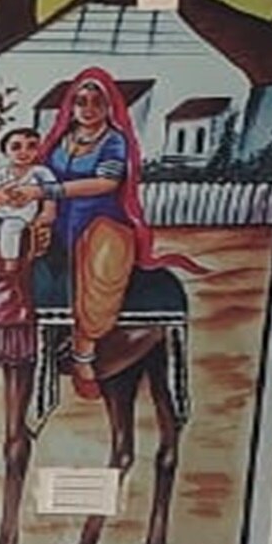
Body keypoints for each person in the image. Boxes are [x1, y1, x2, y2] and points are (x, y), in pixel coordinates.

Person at [42, 68, 156, 398]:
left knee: (102, 264)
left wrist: (52, 192)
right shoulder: (61, 138)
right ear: (72, 106)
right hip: (57, 218)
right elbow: (41, 176)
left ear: (109, 107)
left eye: (96, 102)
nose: (88, 109)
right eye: (81, 101)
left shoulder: (113, 140)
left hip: (102, 219)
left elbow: (107, 182)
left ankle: (84, 354)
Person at [0, 126, 56, 346]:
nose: (23, 152)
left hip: (22, 213)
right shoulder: (0, 174)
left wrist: (48, 212)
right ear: (6, 151)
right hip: (0, 210)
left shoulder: (41, 173)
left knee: (10, 229)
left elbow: (50, 196)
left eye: (31, 147)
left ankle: (10, 260)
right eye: (16, 147)